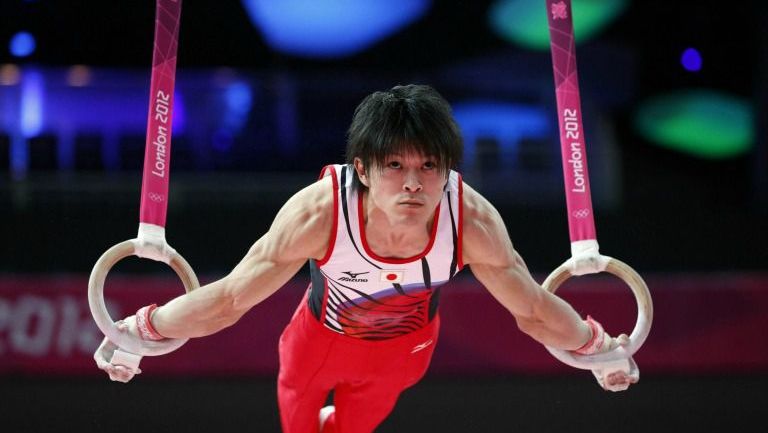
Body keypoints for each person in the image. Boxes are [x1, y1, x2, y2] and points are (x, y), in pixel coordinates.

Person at [95, 84, 637, 433]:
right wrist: (141, 330)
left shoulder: (469, 220)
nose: (413, 183)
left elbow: (534, 311)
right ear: (362, 167)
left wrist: (599, 347)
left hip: (405, 354)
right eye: (395, 166)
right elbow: (232, 300)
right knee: (299, 421)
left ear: (447, 170)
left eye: (429, 166)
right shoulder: (318, 214)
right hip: (316, 343)